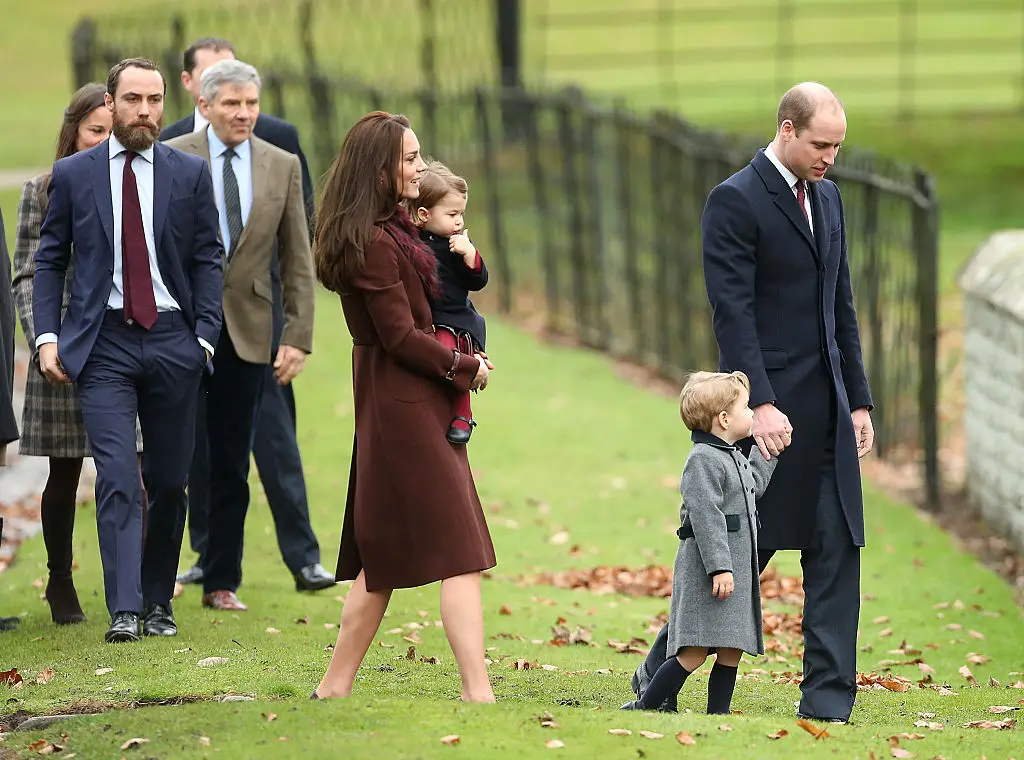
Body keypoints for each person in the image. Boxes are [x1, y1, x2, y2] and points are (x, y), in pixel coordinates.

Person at [632, 82, 874, 724]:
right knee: (733, 553)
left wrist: (860, 402)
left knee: (836, 548)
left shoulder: (830, 198)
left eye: (838, 147)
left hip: (828, 414)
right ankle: (658, 670)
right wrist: (760, 404)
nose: (831, 158)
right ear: (787, 130)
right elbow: (731, 312)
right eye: (821, 145)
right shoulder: (734, 201)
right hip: (763, 421)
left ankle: (828, 699)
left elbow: (840, 306)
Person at [33, 58, 224, 644]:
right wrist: (47, 337)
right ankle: (123, 609)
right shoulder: (73, 174)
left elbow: (208, 258)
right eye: (133, 99)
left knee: (168, 482)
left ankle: (157, 602)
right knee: (117, 475)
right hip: (104, 344)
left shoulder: (189, 174)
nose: (145, 111)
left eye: (155, 99)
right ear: (110, 103)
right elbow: (49, 260)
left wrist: (203, 339)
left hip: (173, 340)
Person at [310, 112, 495, 702]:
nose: (420, 167)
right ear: (381, 168)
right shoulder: (373, 245)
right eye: (411, 159)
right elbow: (400, 337)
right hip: (402, 403)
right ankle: (478, 693)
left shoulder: (393, 230)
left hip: (405, 401)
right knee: (460, 551)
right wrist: (466, 366)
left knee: (380, 556)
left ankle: (334, 688)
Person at [162, 36, 331, 593]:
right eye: (232, 103)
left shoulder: (280, 162)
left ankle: (225, 580)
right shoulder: (170, 157)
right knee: (182, 460)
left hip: (254, 332)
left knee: (243, 459)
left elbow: (298, 257)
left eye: (251, 103)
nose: (243, 113)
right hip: (182, 330)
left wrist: (298, 335)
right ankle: (167, 575)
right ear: (204, 104)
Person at [10, 83, 150, 626]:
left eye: (110, 132)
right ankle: (60, 581)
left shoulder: (133, 184)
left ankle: (131, 589)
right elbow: (26, 273)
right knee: (65, 471)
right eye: (96, 130)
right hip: (65, 349)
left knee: (132, 471)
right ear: (74, 132)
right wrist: (47, 338)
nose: (104, 140)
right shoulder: (43, 189)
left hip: (121, 343)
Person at [622, 371, 777, 713]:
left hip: (734, 571)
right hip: (710, 571)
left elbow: (751, 488)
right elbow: (706, 517)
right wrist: (720, 567)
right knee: (693, 652)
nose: (752, 413)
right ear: (724, 419)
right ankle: (647, 704)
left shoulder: (731, 454)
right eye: (746, 408)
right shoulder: (703, 460)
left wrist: (767, 455)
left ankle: (717, 717)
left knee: (732, 648)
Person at [408, 160, 491, 444]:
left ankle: (462, 413)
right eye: (453, 214)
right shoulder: (410, 241)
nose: (459, 222)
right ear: (423, 214)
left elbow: (477, 282)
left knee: (447, 351)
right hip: (428, 317)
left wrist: (470, 256)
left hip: (455, 320)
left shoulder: (456, 245)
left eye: (462, 214)